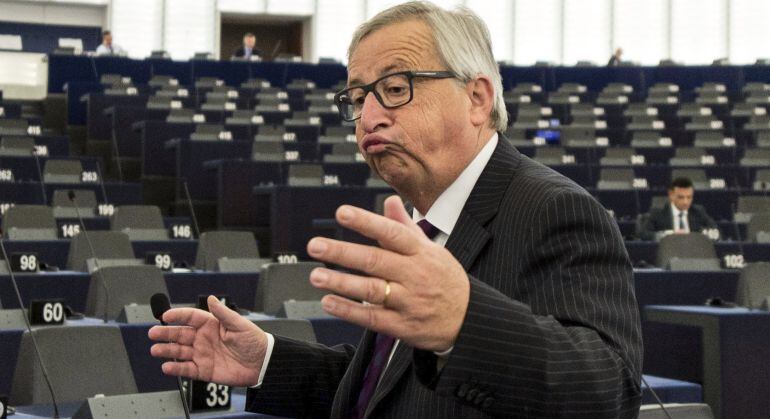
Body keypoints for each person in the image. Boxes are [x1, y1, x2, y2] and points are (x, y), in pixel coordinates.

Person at [149, 2, 643, 417]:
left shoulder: (555, 211)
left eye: (395, 87)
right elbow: (390, 390)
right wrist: (265, 361)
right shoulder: (418, 225)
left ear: (476, 98)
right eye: (358, 97)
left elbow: (609, 393)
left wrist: (464, 322)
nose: (368, 117)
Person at [637, 177, 718, 241]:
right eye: (681, 197)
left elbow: (715, 231)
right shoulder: (658, 212)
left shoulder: (698, 211)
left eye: (689, 197)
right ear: (671, 195)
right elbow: (644, 234)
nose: (685, 202)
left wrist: (701, 234)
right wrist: (666, 235)